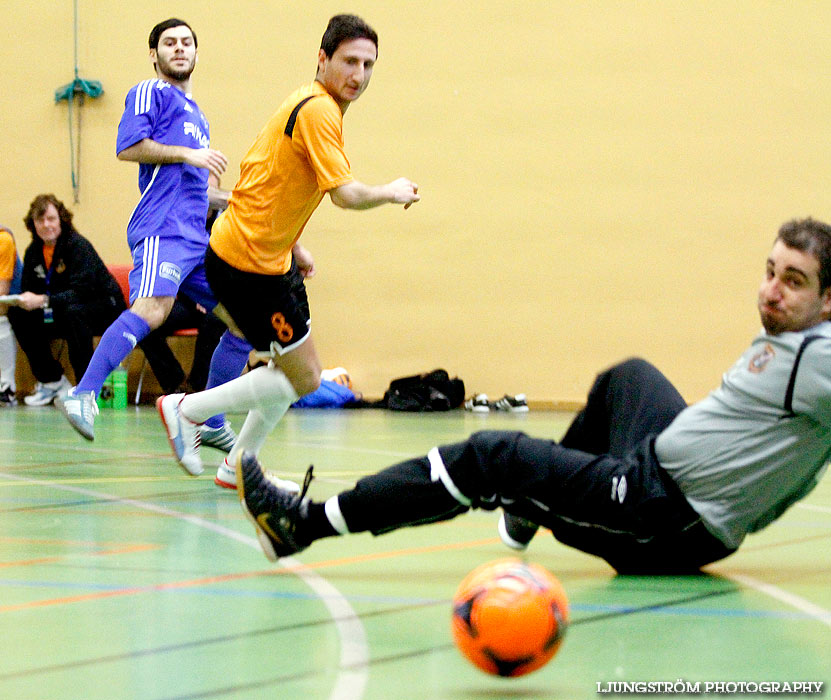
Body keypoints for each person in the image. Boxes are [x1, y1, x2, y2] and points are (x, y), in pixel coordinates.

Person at [235, 218, 831, 575]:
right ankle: (531, 507)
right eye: (771, 271)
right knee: (631, 377)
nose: (772, 291)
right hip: (658, 467)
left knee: (493, 457)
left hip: (664, 518)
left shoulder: (821, 356)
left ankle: (300, 525)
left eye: (795, 281)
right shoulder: (800, 339)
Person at [157, 14, 419, 488]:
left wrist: (294, 244)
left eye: (368, 64)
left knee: (295, 368)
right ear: (323, 58)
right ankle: (186, 408)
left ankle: (238, 464)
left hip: (269, 260)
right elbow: (344, 194)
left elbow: (265, 179)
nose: (358, 75)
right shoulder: (319, 110)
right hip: (247, 265)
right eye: (349, 61)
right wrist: (390, 190)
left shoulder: (308, 102)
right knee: (305, 377)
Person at [57, 18, 251, 452]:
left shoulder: (197, 115)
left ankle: (210, 419)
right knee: (152, 309)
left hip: (199, 241)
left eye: (187, 43)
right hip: (162, 228)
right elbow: (129, 146)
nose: (179, 48)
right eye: (169, 43)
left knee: (245, 324)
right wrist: (188, 153)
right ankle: (83, 394)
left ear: (197, 54)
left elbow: (194, 185)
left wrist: (231, 201)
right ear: (154, 54)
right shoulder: (150, 91)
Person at [0, 223, 22, 405]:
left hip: (16, 303)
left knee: (0, 316)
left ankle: (7, 386)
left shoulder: (3, 240)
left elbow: (2, 292)